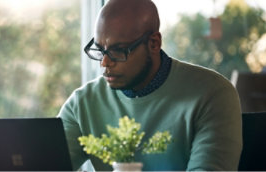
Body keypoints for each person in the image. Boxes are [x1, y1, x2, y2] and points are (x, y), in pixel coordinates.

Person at [57, 0, 242, 171]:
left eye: (119, 50)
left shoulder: (213, 94)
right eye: (100, 49)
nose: (104, 62)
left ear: (154, 43)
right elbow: (46, 165)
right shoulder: (82, 104)